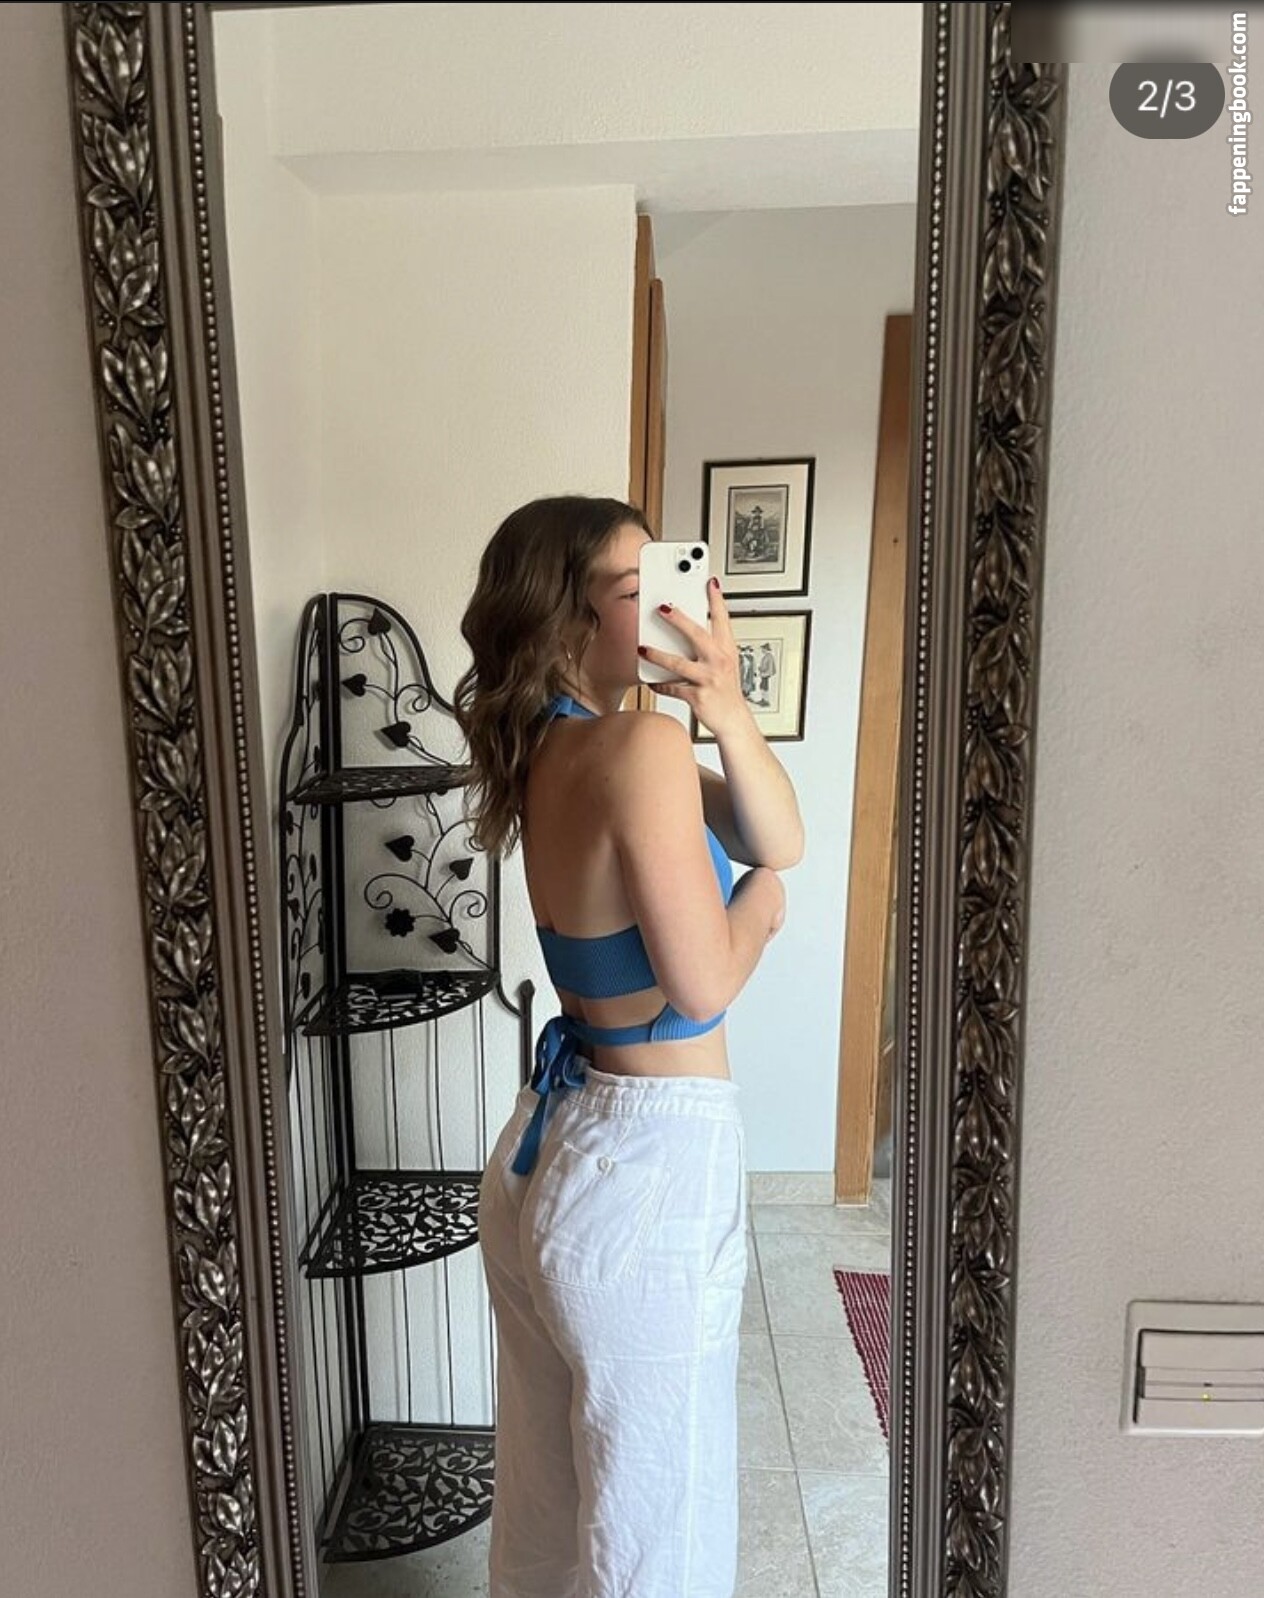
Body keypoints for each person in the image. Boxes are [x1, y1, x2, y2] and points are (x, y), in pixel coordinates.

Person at [454, 495, 803, 1598]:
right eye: (637, 583)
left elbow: (778, 830)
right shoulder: (639, 746)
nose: (675, 598)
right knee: (662, 1543)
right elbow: (704, 979)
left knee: (547, 1520)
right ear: (566, 618)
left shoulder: (557, 747)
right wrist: (761, 908)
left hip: (555, 1143)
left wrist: (726, 708)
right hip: (649, 1168)